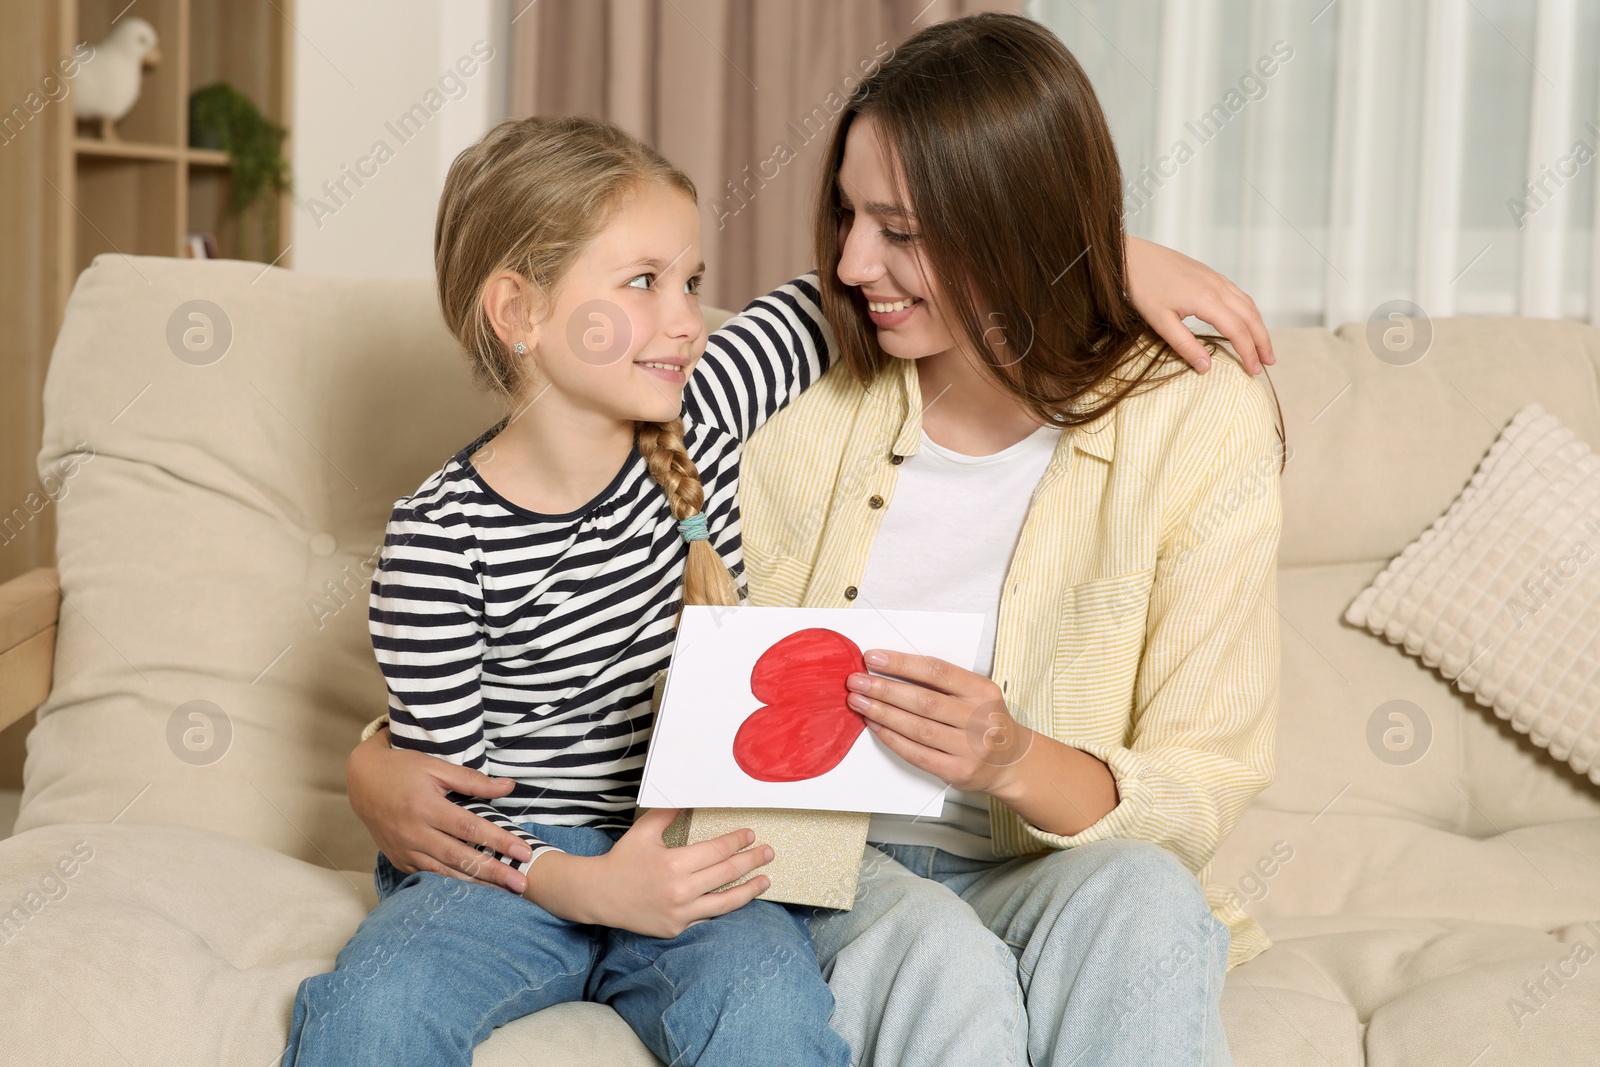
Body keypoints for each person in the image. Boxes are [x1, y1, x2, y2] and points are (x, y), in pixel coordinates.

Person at [344, 14, 1282, 1065]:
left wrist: (1013, 756)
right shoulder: (794, 379)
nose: (850, 259)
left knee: (1148, 899)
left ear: (1010, 220)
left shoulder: (1197, 415)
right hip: (819, 856)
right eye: (845, 212)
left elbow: (1202, 777)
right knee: (940, 960)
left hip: (1041, 856)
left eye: (900, 227)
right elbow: (553, 562)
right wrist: (375, 756)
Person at [281, 115, 852, 1067]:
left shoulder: (710, 406)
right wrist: (581, 887)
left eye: (691, 283)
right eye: (643, 282)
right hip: (504, 874)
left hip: (687, 854)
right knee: (371, 1011)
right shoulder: (436, 537)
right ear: (520, 311)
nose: (687, 317)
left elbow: (868, 283)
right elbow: (452, 814)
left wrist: (1113, 261)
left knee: (769, 1011)